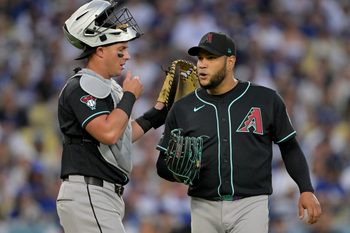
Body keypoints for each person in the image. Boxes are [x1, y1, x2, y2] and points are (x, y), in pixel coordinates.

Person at [156, 32, 322, 233]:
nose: (202, 64)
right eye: (200, 58)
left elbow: (289, 146)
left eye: (211, 58)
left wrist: (306, 189)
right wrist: (179, 171)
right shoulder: (183, 107)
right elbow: (162, 163)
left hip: (250, 204)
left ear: (230, 62)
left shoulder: (265, 99)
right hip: (203, 205)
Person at [56, 1, 167, 232]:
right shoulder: (82, 85)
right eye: (121, 50)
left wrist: (158, 114)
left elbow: (121, 134)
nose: (126, 56)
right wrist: (129, 96)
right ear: (100, 50)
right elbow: (108, 132)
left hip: (100, 195)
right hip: (89, 192)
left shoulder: (106, 86)